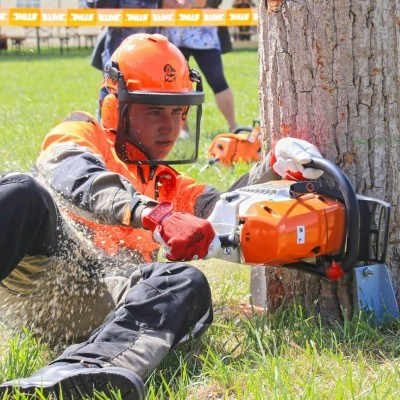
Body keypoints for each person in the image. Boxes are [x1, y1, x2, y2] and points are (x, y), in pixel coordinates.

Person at [0, 33, 323, 399]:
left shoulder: (168, 182)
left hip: (106, 301)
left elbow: (225, 207)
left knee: (184, 282)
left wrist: (273, 168)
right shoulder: (80, 133)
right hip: (43, 276)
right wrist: (151, 214)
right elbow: (78, 178)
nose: (170, 127)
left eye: (177, 111)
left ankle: (87, 371)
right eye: (154, 110)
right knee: (20, 192)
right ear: (114, 106)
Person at [162, 0, 239, 135]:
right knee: (174, 84)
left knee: (217, 79)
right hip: (174, 33)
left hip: (204, 34)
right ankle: (182, 129)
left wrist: (191, 3)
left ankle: (233, 126)